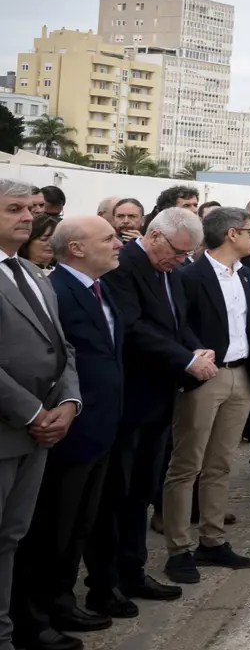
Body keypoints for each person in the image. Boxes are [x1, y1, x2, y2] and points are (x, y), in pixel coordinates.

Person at [91, 206, 207, 607]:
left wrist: (195, 348)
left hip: (160, 397)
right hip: (130, 398)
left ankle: (133, 571)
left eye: (186, 255)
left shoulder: (169, 270)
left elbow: (178, 322)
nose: (180, 261)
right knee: (116, 495)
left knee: (142, 490)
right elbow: (134, 328)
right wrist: (186, 359)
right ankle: (104, 582)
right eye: (176, 252)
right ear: (155, 236)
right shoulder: (124, 268)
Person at [7, 205, 92, 650]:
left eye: (29, 209)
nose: (29, 217)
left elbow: (63, 349)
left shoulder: (36, 275)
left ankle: (15, 628)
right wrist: (33, 411)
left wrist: (69, 402)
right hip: (14, 427)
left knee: (14, 537)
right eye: (14, 209)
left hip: (42, 430)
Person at [161, 206, 250, 584]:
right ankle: (178, 548)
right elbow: (180, 324)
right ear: (232, 234)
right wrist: (194, 359)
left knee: (221, 463)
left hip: (241, 376)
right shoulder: (190, 275)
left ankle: (213, 540)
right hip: (206, 378)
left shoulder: (245, 275)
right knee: (187, 464)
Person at [19, 215, 59, 279]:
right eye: (44, 239)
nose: (51, 243)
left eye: (55, 239)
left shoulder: (61, 273)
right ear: (28, 241)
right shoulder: (19, 272)